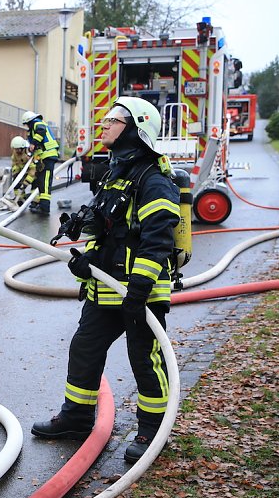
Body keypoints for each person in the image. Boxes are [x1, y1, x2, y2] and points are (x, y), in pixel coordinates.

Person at [31, 97, 180, 464]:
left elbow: (158, 240)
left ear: (136, 129)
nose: (105, 125)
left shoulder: (154, 180)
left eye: (114, 119)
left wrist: (139, 290)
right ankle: (77, 418)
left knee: (145, 360)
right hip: (106, 289)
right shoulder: (115, 173)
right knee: (84, 349)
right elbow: (108, 230)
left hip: (140, 293)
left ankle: (153, 429)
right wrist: (89, 260)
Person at [21, 111, 59, 216]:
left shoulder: (37, 122)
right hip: (43, 158)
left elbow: (41, 130)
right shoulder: (33, 128)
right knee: (40, 181)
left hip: (48, 156)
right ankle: (38, 203)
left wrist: (33, 143)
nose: (26, 126)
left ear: (29, 121)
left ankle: (45, 207)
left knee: (45, 182)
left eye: (26, 124)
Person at [9, 136, 36, 206]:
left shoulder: (28, 154)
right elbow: (15, 164)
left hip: (33, 173)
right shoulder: (15, 154)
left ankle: (35, 202)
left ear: (22, 148)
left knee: (34, 188)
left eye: (18, 149)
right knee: (16, 185)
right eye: (15, 149)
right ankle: (20, 200)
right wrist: (15, 174)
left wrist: (26, 183)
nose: (16, 151)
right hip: (23, 173)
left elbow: (33, 170)